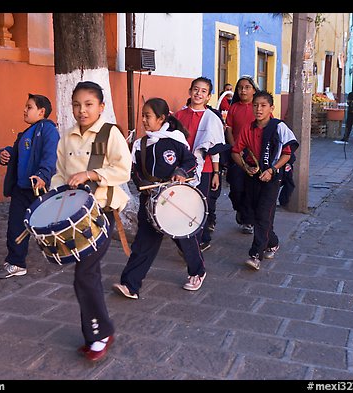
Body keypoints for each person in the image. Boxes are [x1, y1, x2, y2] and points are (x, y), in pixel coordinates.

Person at [50, 81, 132, 361]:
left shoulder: (109, 134)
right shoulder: (67, 136)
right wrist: (54, 200)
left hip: (101, 215)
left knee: (85, 275)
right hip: (76, 217)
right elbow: (60, 175)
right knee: (87, 276)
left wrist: (91, 175)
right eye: (76, 104)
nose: (81, 111)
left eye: (88, 105)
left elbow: (123, 169)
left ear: (101, 107)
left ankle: (101, 332)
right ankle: (97, 332)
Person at [112, 97, 203, 300]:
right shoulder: (140, 144)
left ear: (161, 118)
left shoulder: (176, 140)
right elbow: (134, 171)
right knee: (144, 243)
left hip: (175, 199)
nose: (144, 120)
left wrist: (180, 171)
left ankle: (197, 271)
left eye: (148, 116)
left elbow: (190, 161)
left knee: (184, 238)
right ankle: (130, 285)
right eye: (142, 116)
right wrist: (142, 185)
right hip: (151, 200)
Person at [0, 94, 60, 279]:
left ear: (41, 111)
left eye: (29, 107)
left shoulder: (48, 130)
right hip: (20, 189)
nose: (24, 110)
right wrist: (3, 154)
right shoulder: (25, 134)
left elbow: (50, 155)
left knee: (48, 226)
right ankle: (16, 262)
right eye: (25, 106)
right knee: (15, 226)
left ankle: (65, 251)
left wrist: (43, 175)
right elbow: (16, 153)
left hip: (38, 188)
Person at [231, 90, 298, 270]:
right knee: (255, 214)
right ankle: (272, 242)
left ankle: (255, 255)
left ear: (271, 108)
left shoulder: (278, 127)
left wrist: (272, 169)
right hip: (253, 175)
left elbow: (286, 154)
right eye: (255, 105)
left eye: (263, 105)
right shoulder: (248, 128)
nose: (258, 109)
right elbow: (236, 152)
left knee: (263, 213)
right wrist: (246, 167)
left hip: (272, 176)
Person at [175, 77, 227, 252]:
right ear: (190, 91)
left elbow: (215, 148)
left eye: (204, 91)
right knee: (182, 204)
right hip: (182, 170)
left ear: (209, 96)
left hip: (204, 170)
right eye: (196, 89)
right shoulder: (178, 116)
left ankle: (199, 239)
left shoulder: (212, 119)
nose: (199, 93)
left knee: (199, 204)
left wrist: (216, 173)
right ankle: (187, 237)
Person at [225, 75, 259, 235]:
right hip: (237, 154)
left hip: (255, 156)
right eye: (240, 87)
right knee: (236, 188)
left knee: (251, 189)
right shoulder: (234, 107)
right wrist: (234, 148)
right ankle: (240, 209)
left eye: (247, 87)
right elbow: (229, 129)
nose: (243, 90)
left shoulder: (259, 106)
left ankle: (248, 220)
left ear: (254, 90)